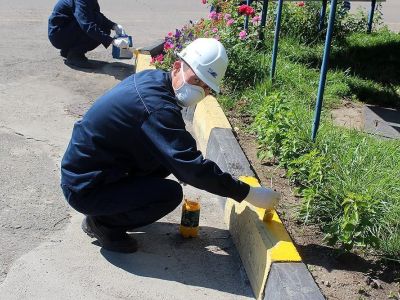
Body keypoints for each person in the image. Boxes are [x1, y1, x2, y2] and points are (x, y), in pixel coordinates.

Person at [60, 38, 281, 253]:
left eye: (206, 87)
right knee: (168, 194)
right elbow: (192, 169)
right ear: (177, 67)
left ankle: (112, 209)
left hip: (90, 173)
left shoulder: (154, 79)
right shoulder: (157, 108)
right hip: (85, 188)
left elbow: (181, 153)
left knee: (167, 161)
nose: (200, 90)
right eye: (196, 81)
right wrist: (247, 193)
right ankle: (103, 224)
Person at [48, 0, 129, 68]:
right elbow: (86, 24)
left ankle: (67, 51)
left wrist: (114, 26)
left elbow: (96, 14)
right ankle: (74, 55)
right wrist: (112, 41)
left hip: (64, 32)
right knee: (96, 25)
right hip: (59, 36)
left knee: (102, 25)